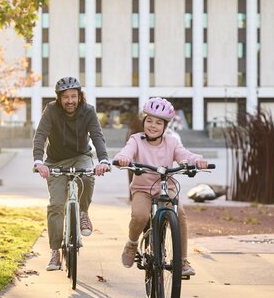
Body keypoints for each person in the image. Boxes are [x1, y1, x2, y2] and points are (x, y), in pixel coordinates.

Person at [113, 97, 208, 276]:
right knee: (140, 216)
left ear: (165, 126)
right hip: (143, 189)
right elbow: (126, 152)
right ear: (144, 121)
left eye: (158, 122)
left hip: (167, 187)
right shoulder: (136, 139)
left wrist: (197, 161)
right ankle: (132, 243)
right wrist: (123, 159)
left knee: (179, 213)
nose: (153, 125)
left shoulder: (171, 142)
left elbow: (184, 155)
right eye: (149, 120)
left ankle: (182, 261)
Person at [33, 77, 110, 271]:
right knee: (56, 205)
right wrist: (38, 161)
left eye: (73, 96)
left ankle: (83, 212)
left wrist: (103, 160)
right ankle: (54, 252)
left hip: (80, 156)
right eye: (65, 97)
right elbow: (40, 135)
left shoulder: (89, 111)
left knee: (87, 176)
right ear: (59, 99)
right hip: (55, 161)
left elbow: (97, 136)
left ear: (79, 96)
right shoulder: (51, 110)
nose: (70, 100)